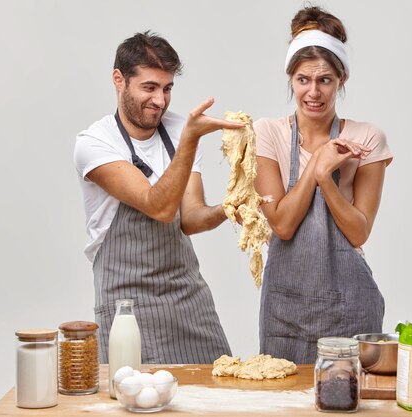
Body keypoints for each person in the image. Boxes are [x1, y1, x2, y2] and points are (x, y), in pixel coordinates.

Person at [74, 31, 243, 364]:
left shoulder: (180, 129)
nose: (161, 101)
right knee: (141, 403)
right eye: (149, 88)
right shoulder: (94, 143)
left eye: (167, 89)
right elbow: (159, 206)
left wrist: (228, 207)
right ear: (118, 80)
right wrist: (190, 140)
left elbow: (190, 218)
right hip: (128, 306)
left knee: (219, 393)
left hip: (188, 298)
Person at [254, 6, 394, 363]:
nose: (313, 92)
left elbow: (359, 232)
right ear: (291, 79)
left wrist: (326, 183)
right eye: (303, 79)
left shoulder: (367, 138)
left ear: (341, 79)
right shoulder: (267, 133)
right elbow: (282, 225)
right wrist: (319, 162)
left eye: (325, 80)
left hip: (349, 305)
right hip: (285, 309)